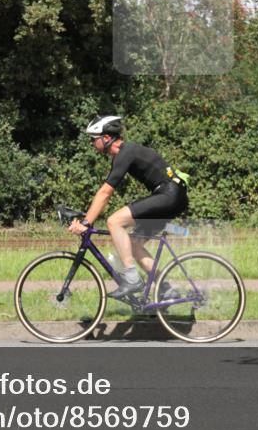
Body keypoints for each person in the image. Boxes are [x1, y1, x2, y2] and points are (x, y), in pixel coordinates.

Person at [67, 115, 189, 299]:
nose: (92, 144)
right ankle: (166, 290)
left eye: (93, 139)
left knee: (114, 221)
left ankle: (132, 279)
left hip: (169, 194)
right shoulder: (126, 153)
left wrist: (86, 222)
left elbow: (105, 193)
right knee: (133, 244)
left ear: (106, 138)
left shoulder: (126, 152)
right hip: (172, 195)